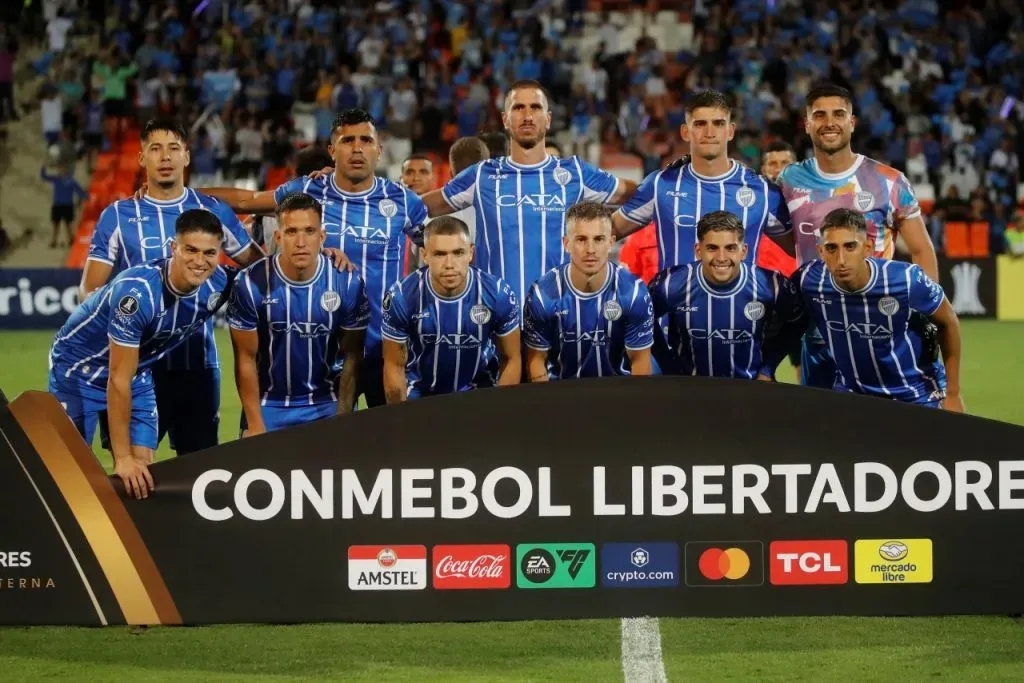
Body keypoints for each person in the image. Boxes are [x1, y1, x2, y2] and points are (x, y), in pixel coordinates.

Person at [200, 109, 428, 408]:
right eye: (347, 141)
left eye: (365, 140)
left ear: (378, 150)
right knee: (324, 450)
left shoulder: (402, 200)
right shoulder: (308, 190)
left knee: (384, 448)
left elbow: (436, 251)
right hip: (320, 354)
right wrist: (180, 193)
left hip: (384, 351)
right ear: (332, 151)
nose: (357, 148)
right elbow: (247, 201)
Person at [80, 118, 263, 456]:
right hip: (136, 369)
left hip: (197, 366)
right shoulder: (118, 215)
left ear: (187, 157)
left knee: (202, 471)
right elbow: (90, 292)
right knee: (136, 470)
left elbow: (262, 270)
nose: (165, 157)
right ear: (142, 159)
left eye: (173, 149)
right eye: (155, 149)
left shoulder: (212, 210)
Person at [49, 210, 235, 499]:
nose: (200, 262)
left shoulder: (219, 283)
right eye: (191, 250)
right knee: (70, 474)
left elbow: (269, 275)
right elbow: (117, 378)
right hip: (78, 370)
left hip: (137, 372)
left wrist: (325, 257)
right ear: (174, 248)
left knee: (142, 474)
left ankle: (129, 540)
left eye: (209, 253)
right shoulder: (136, 295)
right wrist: (121, 458)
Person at [419, 80, 637, 312]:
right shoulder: (482, 175)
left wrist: (606, 234)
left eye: (535, 107)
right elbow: (419, 207)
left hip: (558, 318)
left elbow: (642, 195)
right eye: (518, 107)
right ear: (505, 119)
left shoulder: (576, 173)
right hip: (494, 319)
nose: (527, 115)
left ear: (548, 118)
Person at [778, 83, 939, 389]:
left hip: (880, 331)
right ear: (807, 124)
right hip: (819, 334)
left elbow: (921, 249)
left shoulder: (888, 182)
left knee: (884, 428)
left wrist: (922, 317)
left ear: (852, 122)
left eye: (839, 114)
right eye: (820, 115)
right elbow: (782, 241)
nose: (829, 122)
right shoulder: (789, 180)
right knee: (822, 427)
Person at [228, 193, 369, 435]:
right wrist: (254, 424)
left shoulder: (347, 282)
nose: (301, 241)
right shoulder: (250, 283)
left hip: (328, 403)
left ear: (322, 236)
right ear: (278, 237)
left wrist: (344, 418)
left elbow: (352, 357)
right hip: (268, 404)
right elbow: (245, 360)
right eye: (292, 232)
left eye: (310, 231)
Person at [794, 209, 962, 411]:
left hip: (916, 395)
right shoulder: (809, 281)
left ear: (868, 247)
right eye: (831, 248)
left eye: (850, 247)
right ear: (820, 251)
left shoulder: (906, 280)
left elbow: (949, 322)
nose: (841, 259)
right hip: (852, 395)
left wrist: (952, 394)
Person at [612, 89, 793, 270]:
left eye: (718, 124)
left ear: (730, 131)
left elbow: (805, 251)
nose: (709, 132)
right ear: (685, 132)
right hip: (676, 298)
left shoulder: (763, 192)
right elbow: (602, 234)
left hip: (743, 298)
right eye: (700, 124)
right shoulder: (660, 185)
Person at [648, 211, 804, 379]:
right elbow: (641, 319)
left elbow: (798, 322)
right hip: (688, 388)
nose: (721, 257)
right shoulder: (670, 283)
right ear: (698, 250)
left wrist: (767, 369)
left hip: (753, 388)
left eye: (730, 248)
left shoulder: (772, 284)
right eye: (712, 248)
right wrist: (668, 364)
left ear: (743, 251)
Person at [381, 216, 521, 401]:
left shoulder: (497, 293)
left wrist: (497, 412)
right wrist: (400, 420)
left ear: (470, 253)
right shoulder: (402, 297)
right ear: (425, 255)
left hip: (480, 392)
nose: (449, 264)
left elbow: (511, 359)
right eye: (439, 254)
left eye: (458, 253)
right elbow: (394, 366)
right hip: (421, 395)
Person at [523, 202, 654, 380]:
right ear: (566, 244)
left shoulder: (633, 293)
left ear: (611, 242)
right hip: (560, 397)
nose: (590, 250)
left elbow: (640, 361)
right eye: (581, 239)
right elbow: (537, 360)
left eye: (599, 239)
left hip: (618, 396)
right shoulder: (542, 295)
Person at [40, 162, 87, 248]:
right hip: (57, 205)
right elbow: (44, 177)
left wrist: (86, 197)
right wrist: (43, 167)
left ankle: (70, 239)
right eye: (61, 169)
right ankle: (54, 241)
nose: (62, 170)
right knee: (56, 224)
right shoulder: (56, 179)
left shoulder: (71, 181)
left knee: (68, 224)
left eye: (64, 169)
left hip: (67, 206)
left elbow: (80, 191)